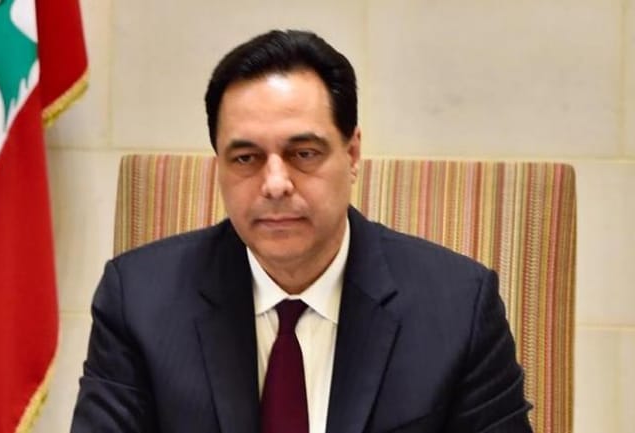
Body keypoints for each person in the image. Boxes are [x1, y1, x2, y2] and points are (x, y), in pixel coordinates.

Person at [71, 29, 533, 433]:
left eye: (304, 154)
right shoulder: (138, 300)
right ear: (219, 167)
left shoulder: (458, 308)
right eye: (246, 158)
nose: (275, 184)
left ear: (352, 154)